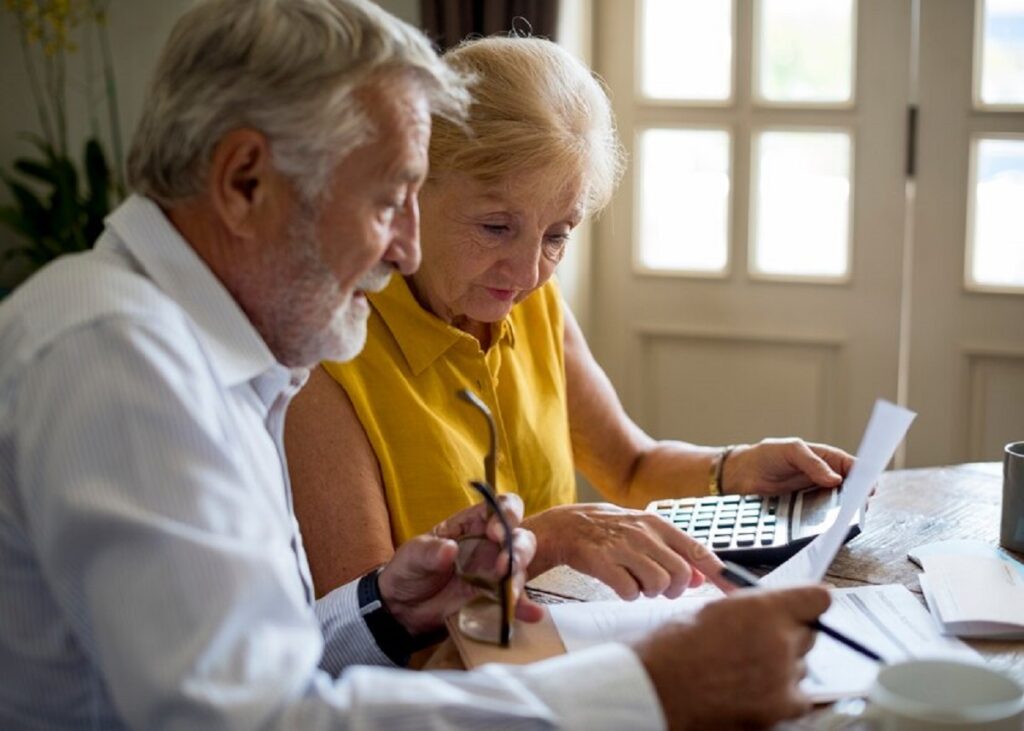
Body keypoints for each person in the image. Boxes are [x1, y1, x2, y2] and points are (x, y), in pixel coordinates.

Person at [0, 1, 831, 729]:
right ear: (245, 180)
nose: (403, 248)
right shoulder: (115, 359)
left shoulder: (216, 359)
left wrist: (388, 606)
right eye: (388, 199)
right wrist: (649, 691)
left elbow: (268, 664)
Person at [285, 35, 856, 602]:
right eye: (495, 227)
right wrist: (546, 540)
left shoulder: (530, 302)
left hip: (558, 644)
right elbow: (361, 624)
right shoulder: (330, 354)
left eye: (558, 235)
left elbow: (630, 467)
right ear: (412, 189)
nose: (530, 271)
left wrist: (737, 469)